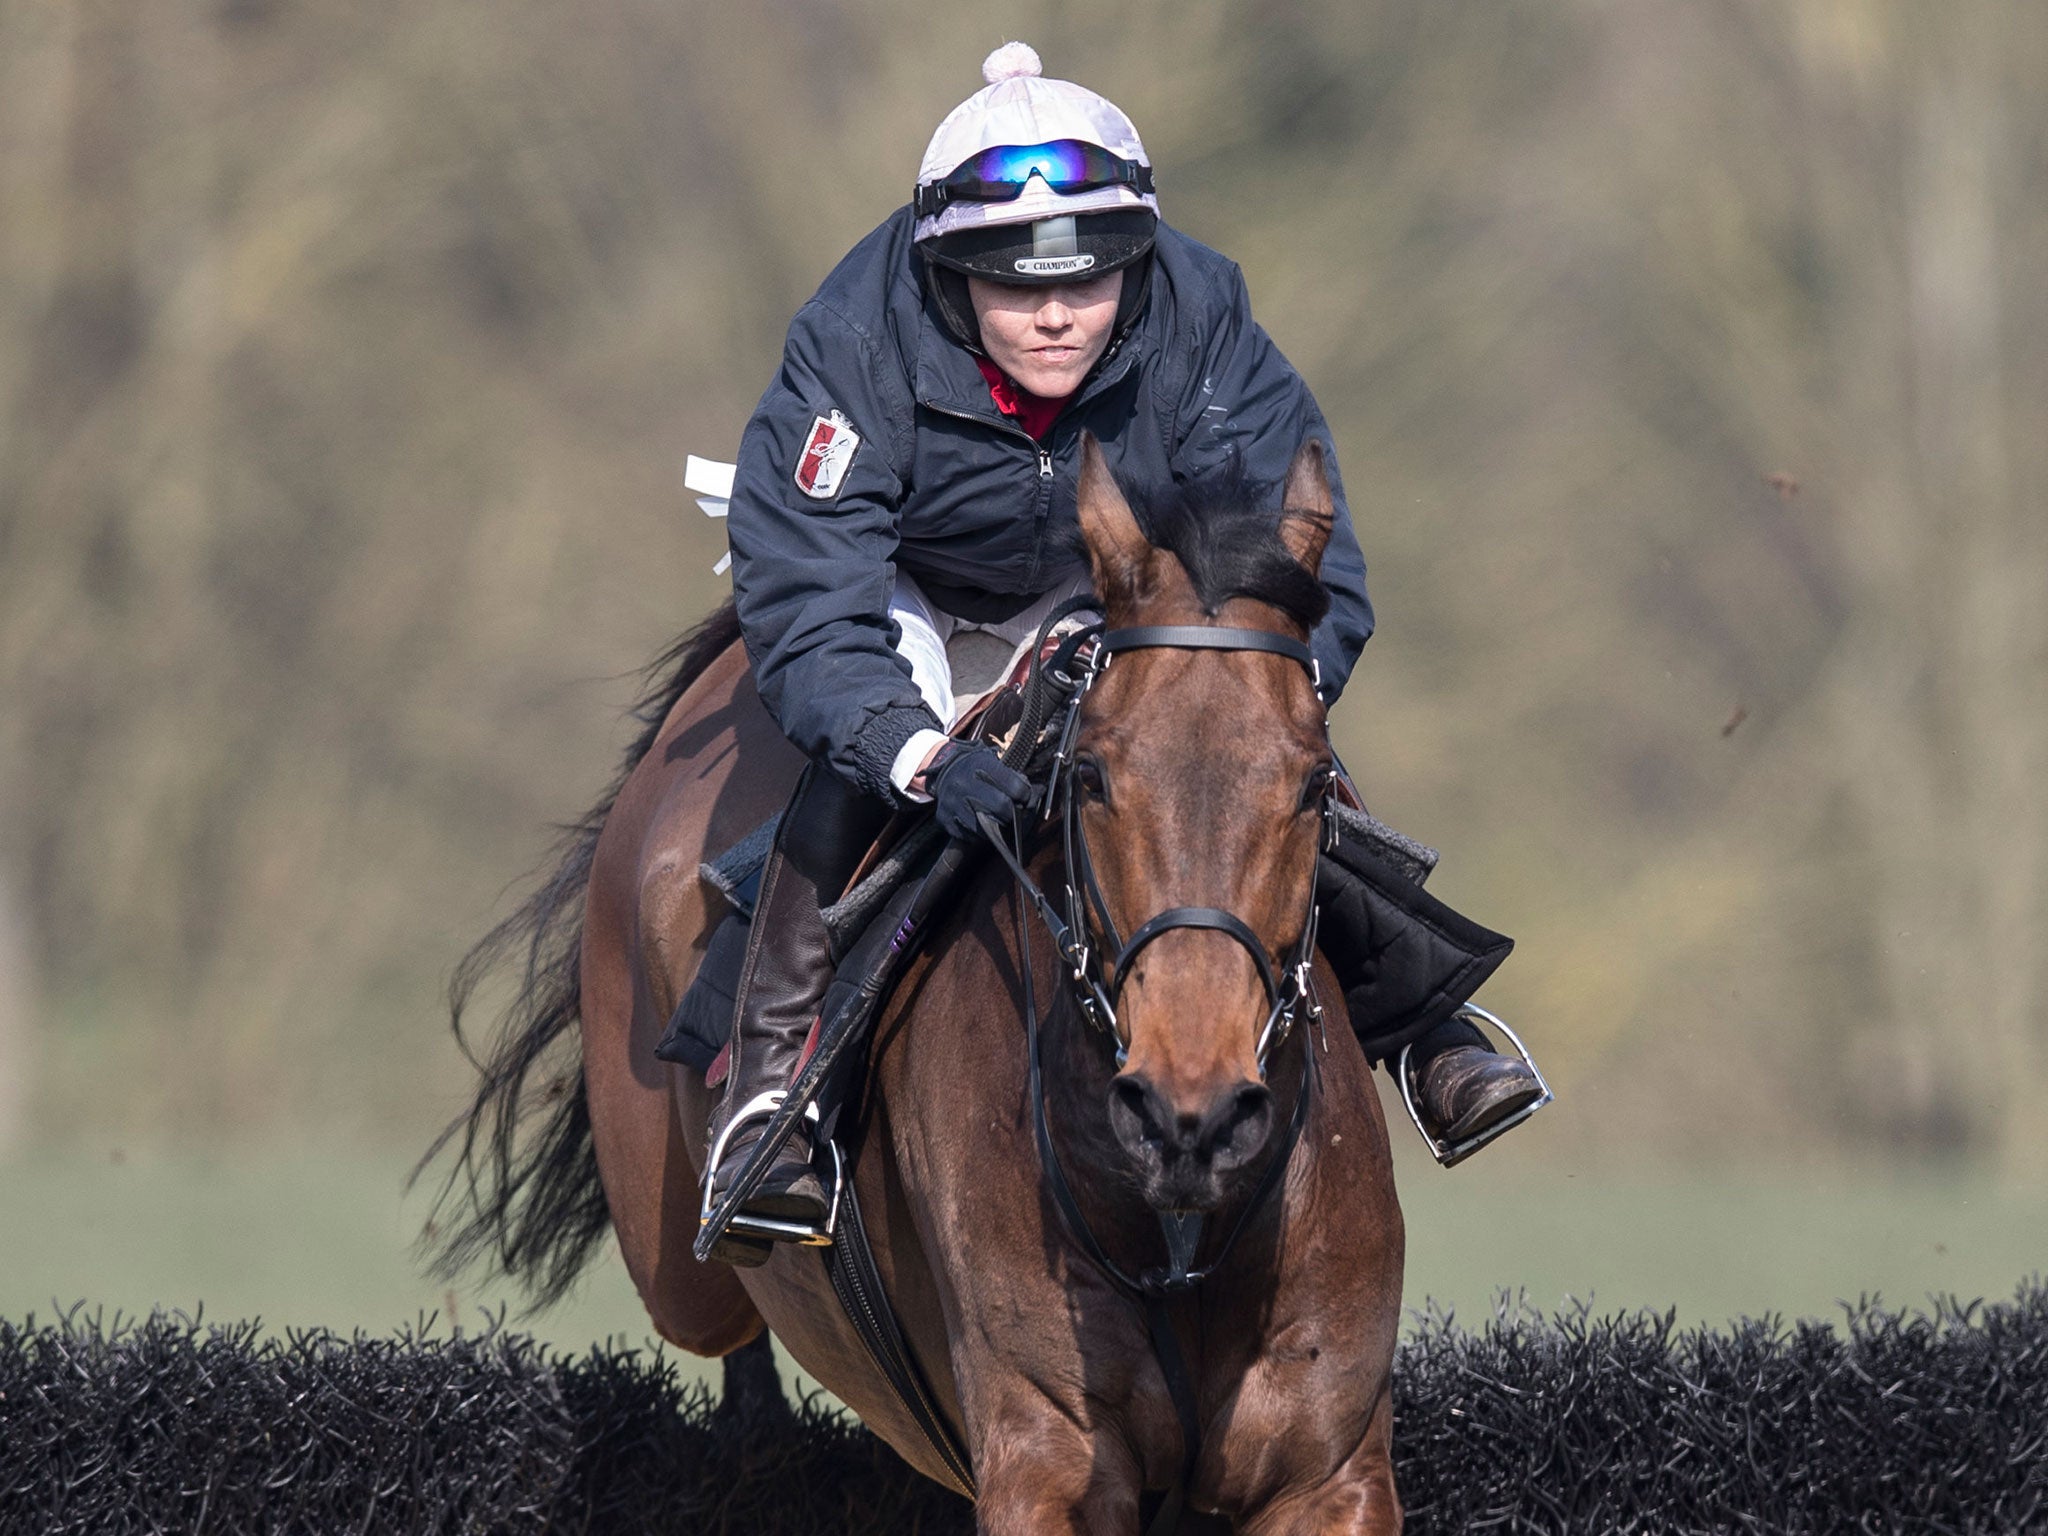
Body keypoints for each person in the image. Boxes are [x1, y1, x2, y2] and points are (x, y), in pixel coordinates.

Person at [710, 43, 1541, 1256]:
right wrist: (920, 755)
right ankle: (771, 1098)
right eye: (1009, 285)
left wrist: (1274, 689)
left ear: (1137, 265)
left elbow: (1308, 558)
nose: (1054, 314)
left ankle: (1420, 1025)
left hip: (1110, 582)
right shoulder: (850, 342)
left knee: (1256, 745)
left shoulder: (1205, 315)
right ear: (945, 275)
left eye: (1091, 282)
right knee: (863, 768)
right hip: (904, 588)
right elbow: (809, 600)